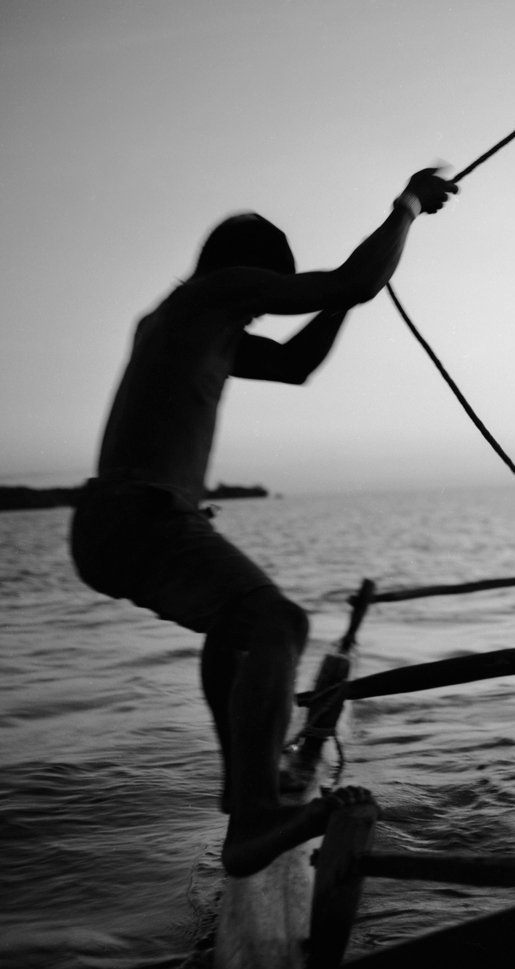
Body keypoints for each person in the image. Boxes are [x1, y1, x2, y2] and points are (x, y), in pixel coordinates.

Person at [70, 168, 458, 877]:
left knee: (237, 630)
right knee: (280, 624)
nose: (258, 311)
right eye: (263, 293)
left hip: (114, 523)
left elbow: (294, 363)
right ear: (244, 274)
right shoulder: (215, 293)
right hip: (138, 514)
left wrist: (343, 294)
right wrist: (405, 209)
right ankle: (253, 818)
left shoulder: (182, 317)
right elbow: (354, 281)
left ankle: (245, 799)